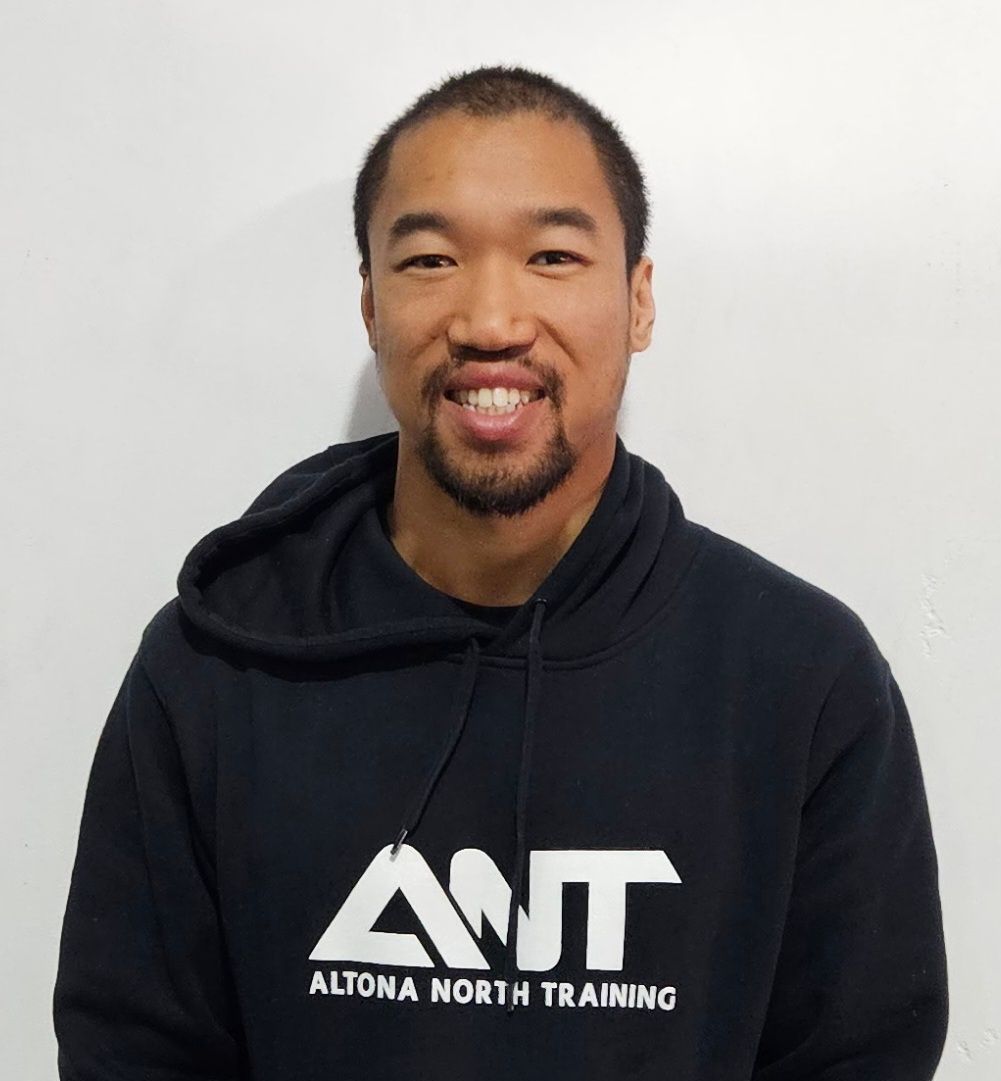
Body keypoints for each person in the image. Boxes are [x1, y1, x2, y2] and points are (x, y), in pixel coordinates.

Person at [53, 65, 948, 1080]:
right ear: (369, 306)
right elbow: (129, 1053)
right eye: (429, 259)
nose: (489, 319)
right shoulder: (213, 673)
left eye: (553, 255)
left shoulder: (800, 682)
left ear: (638, 299)